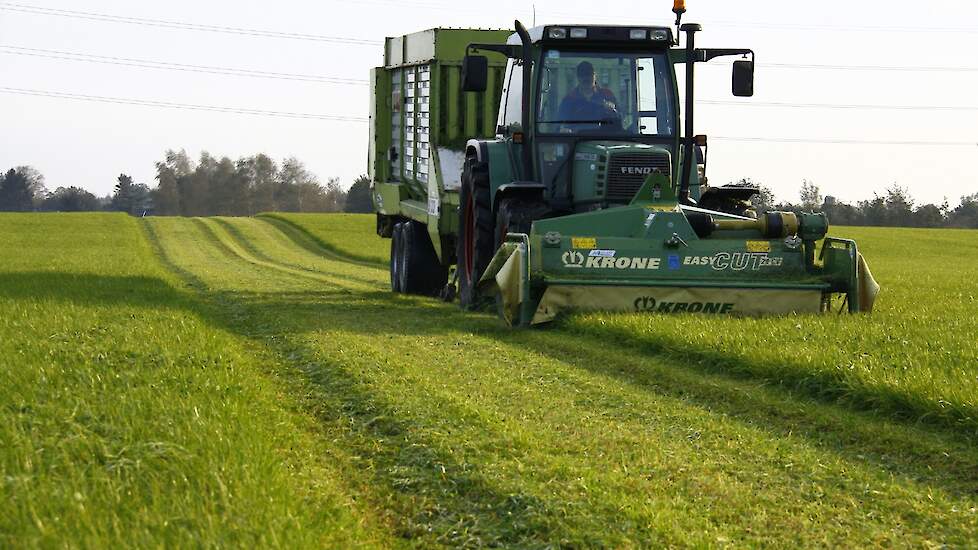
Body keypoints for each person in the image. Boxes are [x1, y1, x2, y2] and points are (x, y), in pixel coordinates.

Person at [557, 61, 620, 126]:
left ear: (595, 75)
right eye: (583, 75)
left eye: (589, 75)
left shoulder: (607, 95)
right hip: (577, 135)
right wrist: (564, 129)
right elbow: (560, 123)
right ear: (578, 77)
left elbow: (619, 120)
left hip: (603, 135)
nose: (586, 78)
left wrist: (612, 110)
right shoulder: (569, 99)